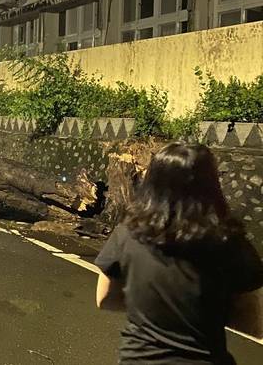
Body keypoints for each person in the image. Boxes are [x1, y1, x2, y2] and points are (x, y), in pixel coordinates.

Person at [95, 142, 263, 365]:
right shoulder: (230, 242)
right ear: (211, 184)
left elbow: (104, 299)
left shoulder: (128, 234)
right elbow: (249, 322)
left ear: (152, 181)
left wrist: (149, 309)